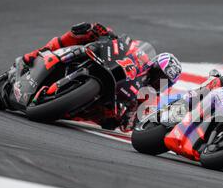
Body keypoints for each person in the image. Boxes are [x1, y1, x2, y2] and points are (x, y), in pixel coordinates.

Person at [22, 22, 182, 131]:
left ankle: (62, 107)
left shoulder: (149, 97)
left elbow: (128, 126)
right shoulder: (141, 58)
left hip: (108, 97)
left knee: (110, 121)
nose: (158, 80)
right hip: (107, 63)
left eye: (164, 80)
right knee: (85, 31)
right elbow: (126, 43)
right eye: (159, 74)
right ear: (153, 65)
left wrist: (131, 111)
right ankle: (37, 53)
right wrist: (106, 33)